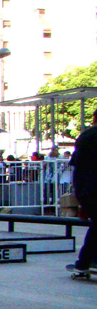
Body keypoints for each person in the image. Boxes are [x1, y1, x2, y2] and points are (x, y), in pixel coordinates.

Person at [69, 109, 97, 276]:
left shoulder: (85, 137)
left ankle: (86, 261)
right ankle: (85, 261)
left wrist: (80, 200)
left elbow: (77, 168)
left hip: (87, 190)